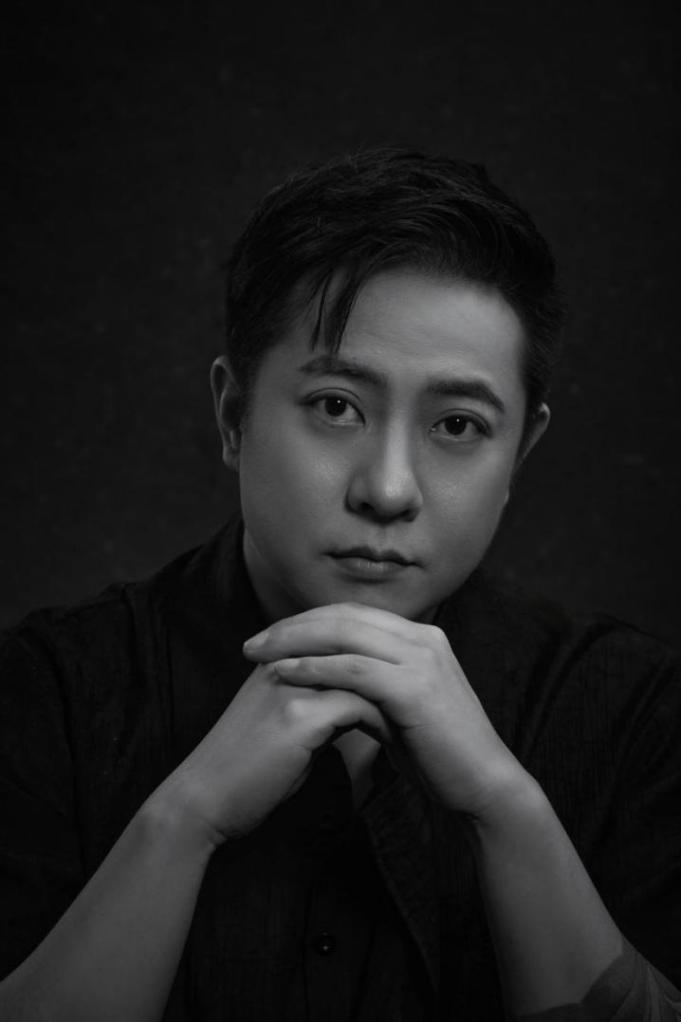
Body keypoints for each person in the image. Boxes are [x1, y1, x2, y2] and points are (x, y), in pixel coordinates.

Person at [0, 147, 679, 1022]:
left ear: (520, 453)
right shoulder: (48, 693)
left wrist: (506, 807)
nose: (387, 490)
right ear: (234, 415)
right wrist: (183, 820)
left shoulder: (631, 713)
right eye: (335, 407)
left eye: (458, 425)